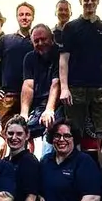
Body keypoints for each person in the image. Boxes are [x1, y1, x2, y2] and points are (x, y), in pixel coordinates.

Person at [58, 0, 102, 140]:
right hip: (75, 90)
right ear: (80, 1)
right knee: (74, 134)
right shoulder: (70, 28)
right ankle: (75, 165)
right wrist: (64, 88)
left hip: (100, 89)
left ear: (98, 1)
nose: (89, 2)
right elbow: (63, 60)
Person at [0, 3, 35, 126]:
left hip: (33, 97)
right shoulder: (6, 40)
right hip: (8, 97)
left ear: (33, 17)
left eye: (28, 15)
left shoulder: (38, 40)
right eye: (21, 15)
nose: (24, 18)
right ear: (17, 17)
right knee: (5, 132)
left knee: (28, 134)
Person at [19, 24, 62, 152]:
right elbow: (28, 86)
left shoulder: (60, 55)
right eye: (36, 41)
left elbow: (56, 83)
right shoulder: (29, 58)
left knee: (51, 128)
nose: (40, 43)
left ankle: (46, 162)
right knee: (19, 130)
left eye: (44, 39)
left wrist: (49, 110)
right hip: (38, 108)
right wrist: (24, 114)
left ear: (52, 38)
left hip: (58, 105)